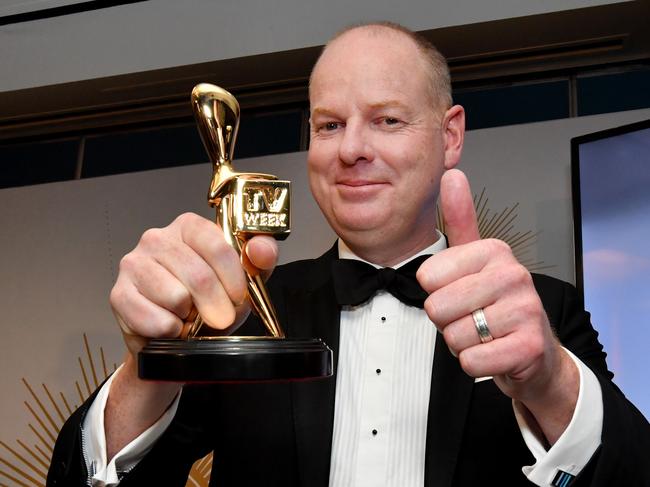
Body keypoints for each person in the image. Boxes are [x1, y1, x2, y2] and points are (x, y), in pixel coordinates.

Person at [48, 22, 649, 487]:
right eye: (329, 125)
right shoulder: (243, 311)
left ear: (450, 135)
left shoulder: (546, 311)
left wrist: (549, 382)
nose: (351, 149)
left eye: (386, 119)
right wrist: (148, 365)